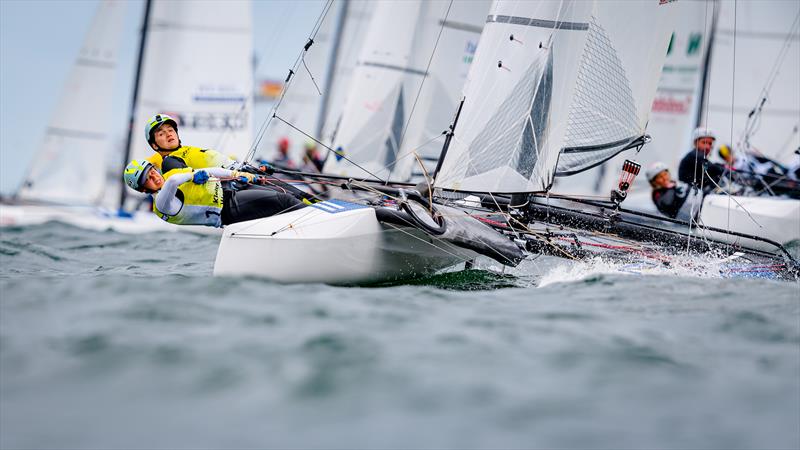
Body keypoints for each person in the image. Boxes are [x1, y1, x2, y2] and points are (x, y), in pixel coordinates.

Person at [123, 159, 304, 227]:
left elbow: (213, 171)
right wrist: (193, 175)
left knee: (289, 192)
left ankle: (319, 207)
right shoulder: (161, 204)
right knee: (283, 200)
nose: (154, 176)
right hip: (228, 211)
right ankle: (318, 219)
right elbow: (172, 182)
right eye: (147, 178)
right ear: (144, 189)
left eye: (152, 170)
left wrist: (242, 175)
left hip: (232, 191)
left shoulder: (173, 174)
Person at [144, 113, 237, 172]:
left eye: (170, 130)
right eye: (161, 134)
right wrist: (234, 174)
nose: (168, 134)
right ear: (155, 145)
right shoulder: (169, 162)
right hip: (229, 188)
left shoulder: (188, 149)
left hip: (237, 170)